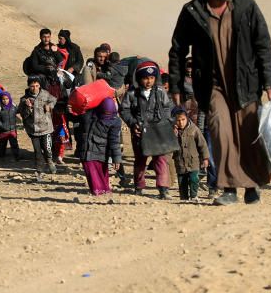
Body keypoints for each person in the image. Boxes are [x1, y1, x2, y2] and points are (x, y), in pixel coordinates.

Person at [168, 0, 271, 206]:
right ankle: (229, 188)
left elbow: (263, 44)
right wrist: (175, 85)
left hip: (245, 82)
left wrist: (270, 80)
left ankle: (251, 185)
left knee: (248, 133)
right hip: (212, 84)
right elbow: (177, 49)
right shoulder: (193, 11)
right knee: (220, 131)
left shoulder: (246, 5)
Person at [120, 60, 174, 199]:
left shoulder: (160, 91)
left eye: (151, 78)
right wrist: (133, 124)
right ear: (139, 78)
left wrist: (166, 122)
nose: (149, 81)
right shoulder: (132, 92)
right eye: (145, 78)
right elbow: (124, 110)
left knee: (160, 159)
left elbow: (167, 107)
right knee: (140, 159)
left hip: (158, 130)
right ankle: (139, 186)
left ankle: (163, 188)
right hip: (140, 131)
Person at [18, 77, 57, 182]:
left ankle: (49, 161)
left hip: (46, 128)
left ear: (39, 85)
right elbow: (22, 114)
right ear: (28, 86)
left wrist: (49, 106)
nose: (34, 88)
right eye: (32, 86)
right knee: (37, 151)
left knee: (47, 147)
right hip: (33, 129)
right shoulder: (24, 100)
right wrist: (28, 108)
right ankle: (40, 170)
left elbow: (54, 100)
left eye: (36, 86)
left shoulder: (45, 94)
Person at [82, 98, 122, 196]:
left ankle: (104, 191)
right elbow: (75, 117)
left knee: (102, 172)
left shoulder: (115, 122)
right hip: (86, 149)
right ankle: (97, 192)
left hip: (102, 151)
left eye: (109, 113)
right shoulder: (90, 115)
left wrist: (117, 159)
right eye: (105, 112)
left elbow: (114, 141)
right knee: (92, 173)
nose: (106, 115)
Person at [172, 106, 210, 203]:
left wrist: (205, 158)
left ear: (187, 118)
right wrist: (173, 136)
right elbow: (168, 145)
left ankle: (194, 195)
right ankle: (184, 198)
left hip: (193, 161)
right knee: (182, 181)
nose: (181, 122)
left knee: (194, 179)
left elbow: (202, 144)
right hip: (180, 161)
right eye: (178, 120)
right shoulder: (172, 131)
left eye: (183, 119)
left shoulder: (194, 129)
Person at [0, 91, 21, 161]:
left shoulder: (13, 106)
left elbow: (20, 110)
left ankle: (16, 156)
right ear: (1, 99)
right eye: (3, 99)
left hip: (12, 129)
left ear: (9, 98)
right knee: (2, 145)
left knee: (14, 144)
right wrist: (1, 126)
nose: (5, 101)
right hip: (3, 131)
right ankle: (2, 156)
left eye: (7, 99)